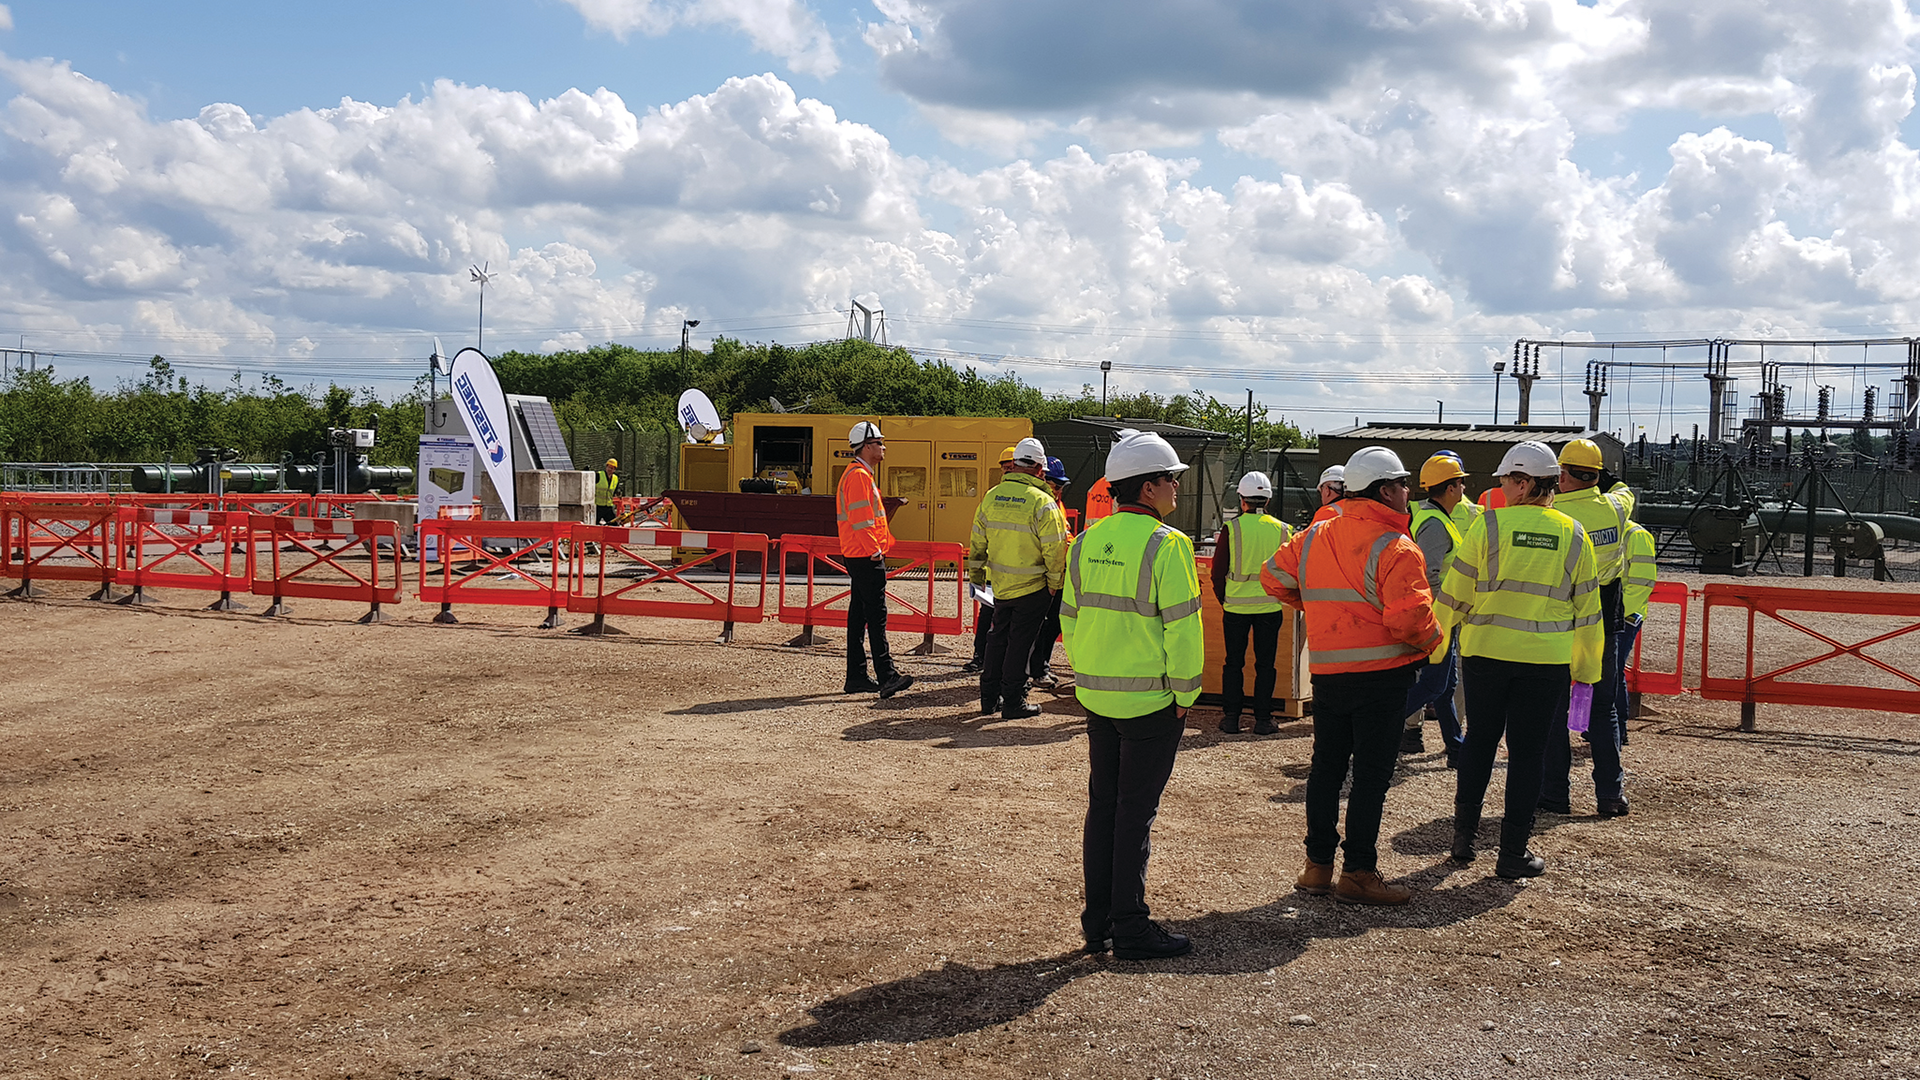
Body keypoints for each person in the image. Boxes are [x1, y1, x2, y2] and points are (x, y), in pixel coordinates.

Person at [1262, 446, 1445, 906]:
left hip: (1328, 673)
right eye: (1403, 484)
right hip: (1382, 677)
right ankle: (1359, 871)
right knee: (1370, 775)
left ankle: (1317, 867)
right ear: (1386, 490)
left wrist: (1317, 609)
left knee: (1326, 768)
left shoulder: (1315, 535)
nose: (1408, 492)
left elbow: (1273, 578)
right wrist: (1433, 642)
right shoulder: (1397, 547)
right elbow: (1409, 622)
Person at [1063, 429, 1203, 960]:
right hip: (1151, 703)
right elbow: (1183, 630)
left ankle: (1097, 922)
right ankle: (1130, 926)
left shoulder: (1086, 540)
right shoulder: (1168, 545)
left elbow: (1070, 621)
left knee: (1104, 809)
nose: (1175, 489)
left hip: (1098, 699)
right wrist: (1186, 693)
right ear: (1148, 488)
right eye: (1171, 480)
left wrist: (1090, 676)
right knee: (1134, 813)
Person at [1436, 440, 1602, 879]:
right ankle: (1512, 853)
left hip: (1484, 654)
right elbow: (1588, 612)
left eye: (1508, 480)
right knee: (1528, 753)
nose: (1504, 488)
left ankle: (1463, 840)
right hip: (1544, 663)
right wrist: (1587, 672)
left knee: (1480, 742)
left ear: (1526, 483)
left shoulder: (1487, 528)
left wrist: (1432, 648)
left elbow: (1454, 594)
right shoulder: (1573, 534)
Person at [1540, 438, 1635, 818]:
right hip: (1605, 623)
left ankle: (1554, 796)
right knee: (1603, 710)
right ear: (1595, 475)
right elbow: (1625, 491)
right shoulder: (1614, 508)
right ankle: (1610, 796)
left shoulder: (1555, 512)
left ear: (1562, 475)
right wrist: (1603, 479)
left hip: (1562, 622)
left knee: (1555, 711)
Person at [969, 437, 1069, 719]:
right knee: (1021, 644)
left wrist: (977, 576)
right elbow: (1055, 550)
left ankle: (988, 698)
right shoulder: (1043, 502)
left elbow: (977, 542)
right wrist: (1054, 585)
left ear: (1014, 465)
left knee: (997, 638)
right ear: (1040, 469)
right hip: (1034, 587)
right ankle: (1013, 701)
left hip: (1000, 586)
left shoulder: (991, 496)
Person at [1210, 471, 1293, 735]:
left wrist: (1224, 598)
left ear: (1242, 499)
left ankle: (1231, 718)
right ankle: (1263, 720)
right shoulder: (1283, 529)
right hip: (1270, 607)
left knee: (1233, 663)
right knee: (1265, 664)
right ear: (1267, 500)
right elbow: (1290, 570)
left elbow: (1218, 570)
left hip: (1235, 607)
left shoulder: (1231, 528)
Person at [836, 421, 914, 699]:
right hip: (865, 556)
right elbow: (861, 521)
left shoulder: (858, 474)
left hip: (858, 554)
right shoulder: (858, 476)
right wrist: (875, 551)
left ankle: (856, 676)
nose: (883, 447)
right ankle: (887, 676)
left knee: (859, 617)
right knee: (876, 617)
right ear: (866, 446)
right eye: (879, 442)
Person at [1400, 452, 1468, 765]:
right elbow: (1428, 575)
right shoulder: (1435, 524)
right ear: (1450, 488)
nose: (1464, 489)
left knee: (1446, 685)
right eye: (1460, 483)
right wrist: (1446, 611)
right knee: (1434, 683)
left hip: (1443, 615)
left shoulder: (1434, 517)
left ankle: (1456, 746)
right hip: (1437, 616)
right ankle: (1378, 725)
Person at [962, 445, 1021, 676]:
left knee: (1008, 621)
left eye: (1011, 466)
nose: (1007, 471)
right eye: (1004, 467)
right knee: (987, 616)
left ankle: (1003, 662)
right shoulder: (993, 496)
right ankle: (980, 657)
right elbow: (981, 532)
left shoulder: (1023, 497)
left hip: (1016, 571)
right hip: (994, 570)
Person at [1028, 456, 1074, 689]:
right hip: (1041, 575)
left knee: (1053, 622)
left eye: (1061, 486)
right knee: (1040, 624)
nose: (1058, 490)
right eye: (1055, 485)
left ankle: (1040, 667)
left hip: (1057, 573)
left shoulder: (1055, 504)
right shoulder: (1039, 503)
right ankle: (1035, 670)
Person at [1616, 518, 1657, 744]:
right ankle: (1607, 727)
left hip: (1625, 617)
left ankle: (1618, 729)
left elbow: (1642, 582)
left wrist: (1618, 614)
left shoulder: (1635, 535)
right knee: (1605, 671)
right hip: (1613, 615)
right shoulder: (1618, 532)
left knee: (1612, 670)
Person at [595, 458, 620, 525]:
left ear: (614, 469)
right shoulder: (598, 475)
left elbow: (614, 492)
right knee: (594, 525)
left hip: (608, 507)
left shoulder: (615, 478)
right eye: (609, 467)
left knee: (614, 525)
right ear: (606, 467)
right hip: (597, 506)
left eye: (612, 468)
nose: (610, 469)